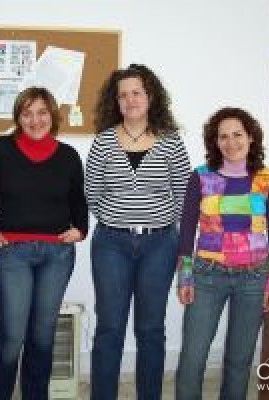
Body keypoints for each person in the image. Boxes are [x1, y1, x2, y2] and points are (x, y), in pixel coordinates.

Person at [85, 64, 191, 399]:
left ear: (151, 96)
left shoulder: (171, 141)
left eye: (137, 93)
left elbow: (185, 194)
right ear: (115, 101)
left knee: (150, 329)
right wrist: (119, 218)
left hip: (159, 244)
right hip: (111, 244)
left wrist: (157, 221)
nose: (130, 100)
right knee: (109, 327)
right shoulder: (103, 141)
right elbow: (92, 194)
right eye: (123, 95)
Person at [0, 87, 88, 400]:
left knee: (42, 337)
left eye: (42, 112)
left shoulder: (68, 156)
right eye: (27, 113)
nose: (35, 120)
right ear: (18, 117)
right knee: (11, 337)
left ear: (52, 116)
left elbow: (78, 202)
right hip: (11, 254)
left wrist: (81, 230)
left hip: (57, 254)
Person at [175, 107, 269, 400]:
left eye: (238, 134)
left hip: (254, 279)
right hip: (207, 277)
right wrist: (185, 277)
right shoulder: (201, 177)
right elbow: (186, 231)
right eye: (223, 136)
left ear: (251, 138)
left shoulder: (267, 179)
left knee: (239, 360)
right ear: (215, 142)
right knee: (192, 357)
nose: (231, 142)